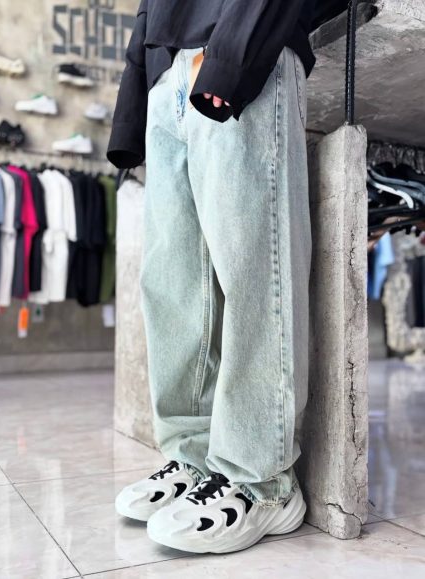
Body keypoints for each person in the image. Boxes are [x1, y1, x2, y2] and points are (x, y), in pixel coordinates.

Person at [107, 0, 319, 555]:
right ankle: (194, 459)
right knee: (175, 289)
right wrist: (136, 102)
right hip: (167, 73)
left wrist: (234, 55)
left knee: (255, 273)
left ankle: (263, 481)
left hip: (240, 40)